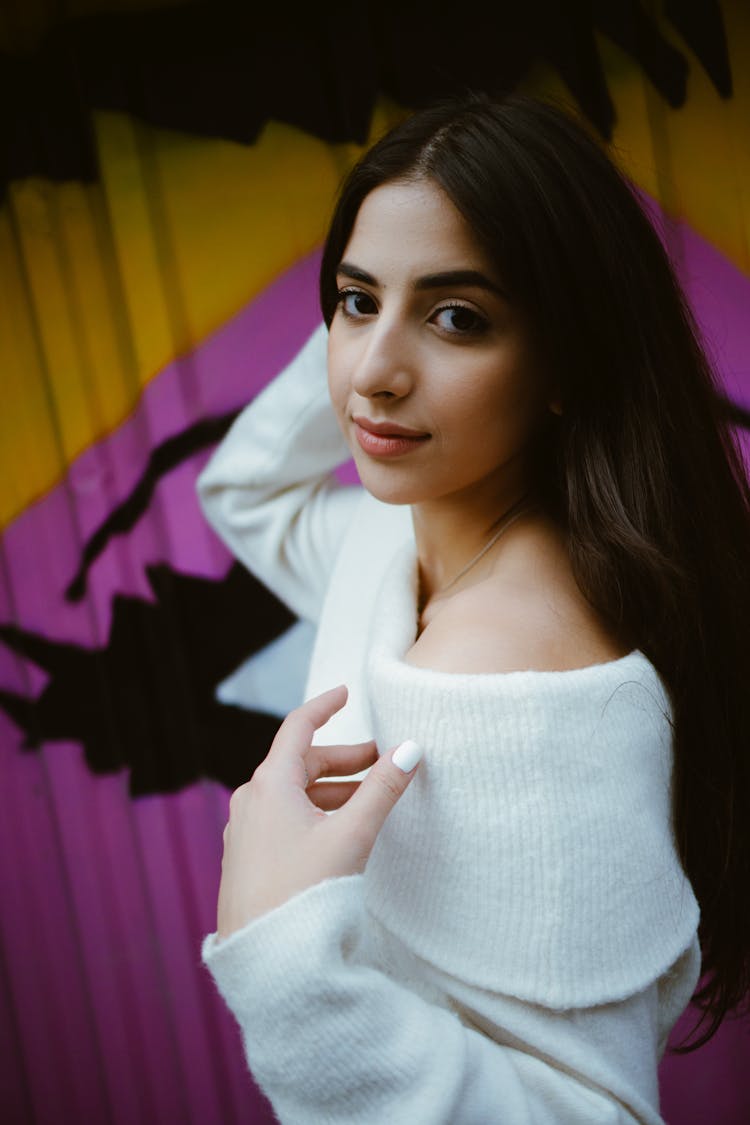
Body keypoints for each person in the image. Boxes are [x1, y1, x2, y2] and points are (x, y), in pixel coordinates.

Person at [197, 93, 750, 1123]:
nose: (374, 372)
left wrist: (286, 965)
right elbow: (245, 493)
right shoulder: (392, 536)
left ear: (567, 361)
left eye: (460, 317)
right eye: (355, 303)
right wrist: (384, 317)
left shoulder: (515, 686)